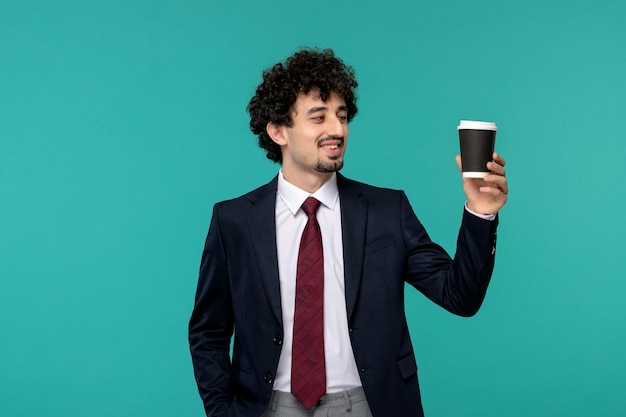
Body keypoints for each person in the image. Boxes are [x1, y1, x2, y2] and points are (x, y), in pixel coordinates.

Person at [189, 48, 508, 417]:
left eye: (342, 116)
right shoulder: (234, 220)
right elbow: (208, 332)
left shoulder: (388, 211)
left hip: (368, 404)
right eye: (318, 117)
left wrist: (480, 215)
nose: (337, 130)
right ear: (278, 131)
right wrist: (221, 411)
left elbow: (460, 297)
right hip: (266, 406)